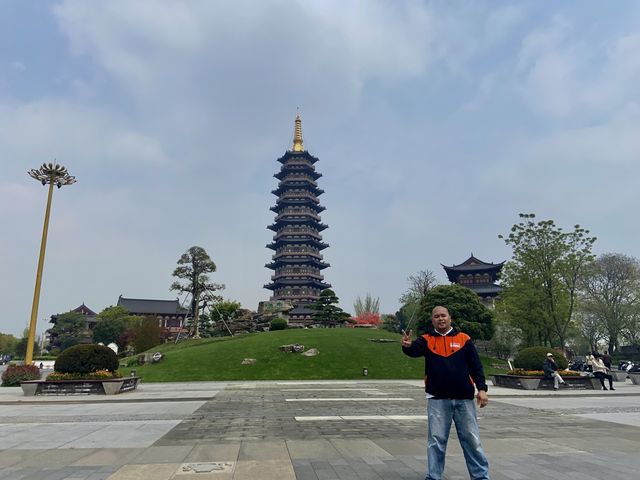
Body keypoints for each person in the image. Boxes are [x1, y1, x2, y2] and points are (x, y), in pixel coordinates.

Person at [402, 306, 490, 480]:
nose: (440, 319)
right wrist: (407, 345)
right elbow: (413, 350)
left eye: (443, 315)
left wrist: (482, 389)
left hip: (464, 399)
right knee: (436, 441)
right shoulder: (426, 340)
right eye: (436, 316)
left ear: (450, 317)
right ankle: (434, 476)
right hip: (437, 400)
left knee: (472, 440)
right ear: (432, 320)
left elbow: (476, 366)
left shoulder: (464, 339)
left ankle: (481, 476)